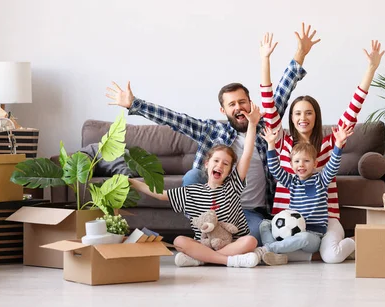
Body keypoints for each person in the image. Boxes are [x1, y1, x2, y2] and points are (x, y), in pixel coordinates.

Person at [106, 23, 320, 247]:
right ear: (223, 110)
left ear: (250, 103)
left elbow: (282, 91)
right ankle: (208, 230)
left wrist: (300, 53)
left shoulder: (264, 126)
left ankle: (216, 244)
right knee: (192, 177)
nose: (238, 107)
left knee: (255, 236)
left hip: (251, 210)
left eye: (242, 102)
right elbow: (175, 119)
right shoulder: (212, 131)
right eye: (232, 104)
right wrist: (135, 104)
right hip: (213, 206)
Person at [261, 40, 385, 263]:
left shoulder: (330, 143)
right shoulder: (282, 143)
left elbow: (353, 109)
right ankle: (299, 252)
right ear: (291, 118)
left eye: (308, 113)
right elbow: (269, 106)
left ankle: (340, 246)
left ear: (316, 116)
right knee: (287, 247)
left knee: (323, 255)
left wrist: (371, 69)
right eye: (297, 113)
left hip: (323, 219)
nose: (302, 118)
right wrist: (265, 59)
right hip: (287, 219)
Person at [129, 102, 265, 268]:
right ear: (207, 164)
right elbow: (160, 194)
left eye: (225, 164)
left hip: (232, 242)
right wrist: (132, 182)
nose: (220, 166)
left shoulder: (233, 186)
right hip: (206, 244)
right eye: (216, 161)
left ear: (230, 171)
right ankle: (228, 260)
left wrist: (252, 124)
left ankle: (201, 259)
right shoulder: (192, 192)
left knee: (250, 240)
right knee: (179, 241)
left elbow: (247, 155)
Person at [256, 124, 353, 263]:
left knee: (304, 237)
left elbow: (333, 165)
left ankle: (267, 249)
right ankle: (274, 252)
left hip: (314, 235)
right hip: (293, 232)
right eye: (297, 161)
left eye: (306, 161)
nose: (301, 165)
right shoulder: (292, 181)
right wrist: (271, 145)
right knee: (264, 224)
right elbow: (275, 169)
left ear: (315, 164)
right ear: (291, 164)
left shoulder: (321, 180)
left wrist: (338, 144)